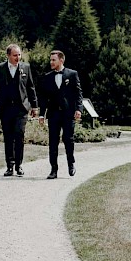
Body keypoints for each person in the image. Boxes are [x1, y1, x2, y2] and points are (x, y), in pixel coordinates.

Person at [0, 44, 38, 177]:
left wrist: (35, 106)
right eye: (15, 55)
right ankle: (10, 165)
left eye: (19, 54)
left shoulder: (26, 67)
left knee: (19, 134)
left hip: (21, 108)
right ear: (8, 55)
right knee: (8, 137)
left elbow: (30, 87)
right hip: (5, 108)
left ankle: (19, 165)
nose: (18, 57)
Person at [38, 50, 83, 179]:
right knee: (53, 141)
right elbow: (44, 98)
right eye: (50, 60)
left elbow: (78, 94)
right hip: (53, 114)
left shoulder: (72, 74)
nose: (51, 62)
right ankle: (53, 169)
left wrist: (78, 109)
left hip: (68, 114)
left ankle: (71, 164)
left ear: (61, 60)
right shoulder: (47, 77)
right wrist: (42, 114)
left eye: (54, 60)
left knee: (68, 139)